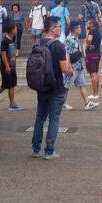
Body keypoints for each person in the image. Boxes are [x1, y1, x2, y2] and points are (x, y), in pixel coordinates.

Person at [32, 16, 72, 158]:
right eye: (59, 26)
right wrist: (68, 57)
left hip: (41, 86)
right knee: (54, 118)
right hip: (56, 87)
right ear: (52, 28)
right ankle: (49, 150)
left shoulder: (37, 43)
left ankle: (36, 149)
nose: (60, 29)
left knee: (40, 117)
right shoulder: (59, 46)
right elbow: (65, 69)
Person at [64, 21, 95, 110]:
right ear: (74, 29)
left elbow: (79, 53)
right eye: (79, 28)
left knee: (82, 84)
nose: (80, 29)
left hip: (78, 66)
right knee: (66, 86)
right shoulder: (68, 40)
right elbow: (67, 54)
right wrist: (68, 66)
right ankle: (62, 103)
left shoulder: (76, 39)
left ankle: (87, 103)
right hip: (72, 67)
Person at [0, 24, 21, 111]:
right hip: (6, 66)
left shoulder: (12, 40)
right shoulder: (5, 41)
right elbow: (3, 55)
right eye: (15, 29)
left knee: (10, 85)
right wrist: (7, 66)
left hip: (12, 66)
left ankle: (11, 103)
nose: (17, 31)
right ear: (12, 30)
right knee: (6, 85)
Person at [84, 19, 102, 102]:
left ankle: (95, 94)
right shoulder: (98, 32)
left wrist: (87, 43)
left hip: (91, 55)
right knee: (95, 73)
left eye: (88, 23)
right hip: (97, 54)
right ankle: (96, 93)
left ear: (91, 24)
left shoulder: (91, 32)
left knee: (93, 74)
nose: (86, 25)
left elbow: (89, 40)